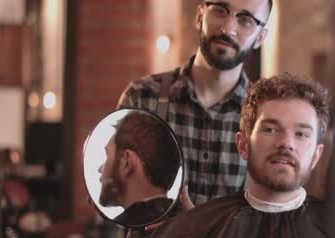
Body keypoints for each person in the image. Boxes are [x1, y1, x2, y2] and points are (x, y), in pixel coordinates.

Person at [99, 73, 332, 238]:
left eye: (301, 134)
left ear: (316, 155)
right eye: (270, 129)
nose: (286, 143)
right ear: (243, 145)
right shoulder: (192, 229)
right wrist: (191, 231)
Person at [117, 0, 272, 207]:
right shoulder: (142, 97)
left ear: (260, 36)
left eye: (245, 20)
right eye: (220, 10)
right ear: (200, 16)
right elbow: (112, 191)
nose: (228, 28)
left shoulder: (265, 116)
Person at [98, 111, 182, 238]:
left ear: (127, 161)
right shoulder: (184, 224)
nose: (100, 169)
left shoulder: (126, 232)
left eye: (107, 155)